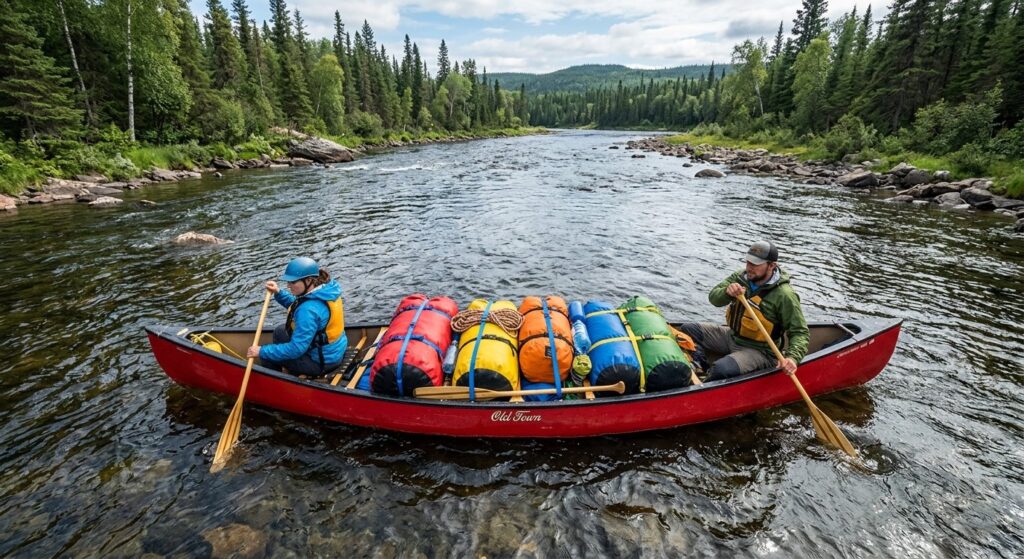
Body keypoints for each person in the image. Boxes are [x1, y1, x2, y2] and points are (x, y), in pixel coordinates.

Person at [677, 240, 809, 381]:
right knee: (686, 330)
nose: (749, 267)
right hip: (732, 337)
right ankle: (700, 366)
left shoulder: (785, 295)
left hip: (760, 351)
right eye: (748, 262)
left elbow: (800, 332)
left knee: (721, 369)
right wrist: (726, 293)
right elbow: (714, 299)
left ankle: (704, 384)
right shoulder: (740, 277)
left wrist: (793, 358)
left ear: (771, 265)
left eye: (755, 264)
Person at [246, 257, 348, 376]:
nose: (289, 286)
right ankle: (289, 369)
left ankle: (280, 382)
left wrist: (261, 351)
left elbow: (296, 349)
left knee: (267, 355)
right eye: (288, 282)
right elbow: (298, 303)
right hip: (333, 352)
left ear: (309, 280)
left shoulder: (308, 310)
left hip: (322, 363)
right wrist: (278, 292)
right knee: (280, 331)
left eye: (293, 282)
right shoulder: (326, 290)